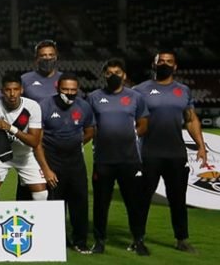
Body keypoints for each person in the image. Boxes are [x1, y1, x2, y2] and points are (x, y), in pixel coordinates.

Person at [133, 50, 208, 253]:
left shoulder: (183, 91)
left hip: (176, 153)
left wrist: (201, 146)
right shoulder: (139, 90)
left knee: (178, 199)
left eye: (169, 61)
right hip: (148, 153)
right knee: (142, 199)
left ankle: (182, 239)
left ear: (175, 67)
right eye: (161, 61)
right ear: (153, 64)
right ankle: (138, 238)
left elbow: (191, 119)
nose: (164, 64)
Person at [88, 59, 149, 254]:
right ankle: (99, 241)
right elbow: (89, 125)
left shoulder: (135, 97)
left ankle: (138, 240)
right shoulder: (93, 97)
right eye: (110, 72)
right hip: (103, 160)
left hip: (130, 159)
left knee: (134, 203)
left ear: (124, 75)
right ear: (104, 75)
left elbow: (143, 124)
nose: (114, 75)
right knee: (101, 203)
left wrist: (129, 136)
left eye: (117, 72)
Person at [39, 73, 96, 253]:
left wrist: (77, 143)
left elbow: (89, 130)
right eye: (65, 90)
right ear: (57, 88)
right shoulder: (45, 105)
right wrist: (46, 168)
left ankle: (80, 241)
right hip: (52, 159)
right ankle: (58, 240)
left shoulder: (84, 106)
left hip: (75, 160)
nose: (70, 93)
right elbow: (38, 139)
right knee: (55, 202)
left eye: (73, 90)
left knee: (79, 200)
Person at [0, 72, 58, 202]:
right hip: (1, 155)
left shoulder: (32, 107)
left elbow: (34, 142)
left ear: (21, 90)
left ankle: (39, 222)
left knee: (41, 194)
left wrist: (10, 128)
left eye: (16, 89)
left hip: (25, 155)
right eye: (8, 90)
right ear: (2, 91)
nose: (12, 94)